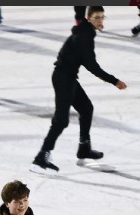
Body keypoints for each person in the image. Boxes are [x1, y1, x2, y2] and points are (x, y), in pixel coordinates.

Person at [31, 6, 127, 173]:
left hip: (67, 76)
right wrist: (114, 81)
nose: (100, 20)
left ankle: (84, 148)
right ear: (89, 18)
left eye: (102, 17)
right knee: (61, 120)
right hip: (63, 78)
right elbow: (91, 66)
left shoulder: (86, 31)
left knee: (86, 108)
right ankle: (42, 155)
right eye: (97, 17)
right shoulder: (84, 36)